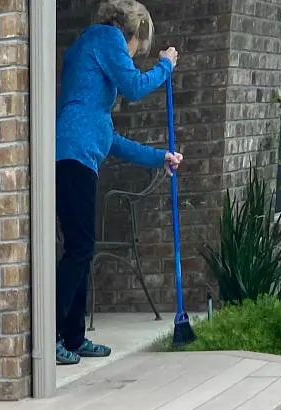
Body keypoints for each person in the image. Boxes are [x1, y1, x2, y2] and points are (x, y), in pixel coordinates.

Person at [56, 1, 181, 364]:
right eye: (137, 49)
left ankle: (74, 338)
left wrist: (162, 158)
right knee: (79, 249)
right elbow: (135, 86)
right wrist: (165, 66)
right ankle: (51, 337)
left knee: (82, 248)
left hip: (77, 155)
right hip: (72, 156)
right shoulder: (106, 37)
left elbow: (115, 142)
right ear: (134, 33)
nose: (133, 55)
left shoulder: (93, 100)